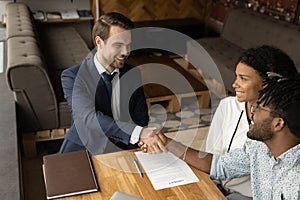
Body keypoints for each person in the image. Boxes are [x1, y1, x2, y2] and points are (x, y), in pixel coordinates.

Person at [140, 45, 299, 199]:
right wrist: (167, 142)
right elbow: (218, 164)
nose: (252, 113)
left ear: (278, 123)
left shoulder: (294, 178)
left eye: (257, 108)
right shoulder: (258, 148)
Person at [59, 12, 164, 155]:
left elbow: (140, 117)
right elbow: (89, 118)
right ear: (99, 42)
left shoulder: (133, 73)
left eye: (128, 45)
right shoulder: (73, 76)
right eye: (118, 45)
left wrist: (141, 140)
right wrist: (138, 133)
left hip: (125, 144)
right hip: (85, 148)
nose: (126, 52)